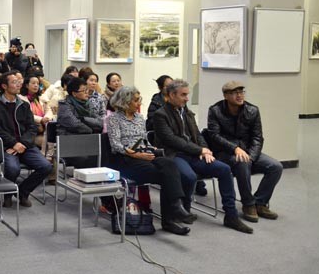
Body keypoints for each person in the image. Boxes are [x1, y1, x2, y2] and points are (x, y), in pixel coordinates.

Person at [152, 79, 252, 234]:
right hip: (174, 155)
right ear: (171, 95)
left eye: (187, 94)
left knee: (224, 169)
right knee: (189, 176)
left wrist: (206, 149)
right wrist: (200, 150)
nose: (187, 98)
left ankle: (231, 216)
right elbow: (172, 140)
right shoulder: (160, 115)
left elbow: (198, 134)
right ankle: (182, 210)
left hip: (193, 154)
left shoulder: (187, 112)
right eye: (183, 95)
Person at [107, 86, 194, 235]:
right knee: (167, 176)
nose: (139, 103)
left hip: (144, 155)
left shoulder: (139, 118)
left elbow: (143, 140)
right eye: (136, 100)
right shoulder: (114, 119)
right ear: (125, 102)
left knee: (169, 164)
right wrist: (136, 154)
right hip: (126, 159)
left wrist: (151, 148)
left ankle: (176, 206)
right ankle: (170, 218)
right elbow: (116, 145)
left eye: (139, 99)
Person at [206, 81, 282, 222]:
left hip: (248, 151)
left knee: (275, 167)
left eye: (241, 92)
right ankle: (248, 204)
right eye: (235, 93)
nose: (240, 95)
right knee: (242, 163)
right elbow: (214, 136)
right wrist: (235, 148)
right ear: (226, 96)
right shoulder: (215, 110)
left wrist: (251, 157)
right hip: (225, 152)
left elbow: (257, 137)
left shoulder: (252, 110)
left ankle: (260, 202)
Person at [0, 70, 52, 208]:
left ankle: (23, 192)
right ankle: (8, 194)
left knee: (46, 166)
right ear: (4, 86)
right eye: (14, 82)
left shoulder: (23, 104)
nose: (18, 84)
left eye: (18, 82)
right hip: (6, 145)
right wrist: (14, 143)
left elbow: (32, 128)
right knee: (13, 168)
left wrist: (22, 143)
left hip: (25, 145)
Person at [19, 75, 51, 151]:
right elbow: (28, 115)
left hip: (44, 126)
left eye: (37, 83)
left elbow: (48, 110)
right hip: (32, 130)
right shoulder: (21, 98)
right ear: (27, 85)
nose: (36, 85)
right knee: (47, 142)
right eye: (33, 83)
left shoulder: (41, 97)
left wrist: (46, 118)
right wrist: (41, 120)